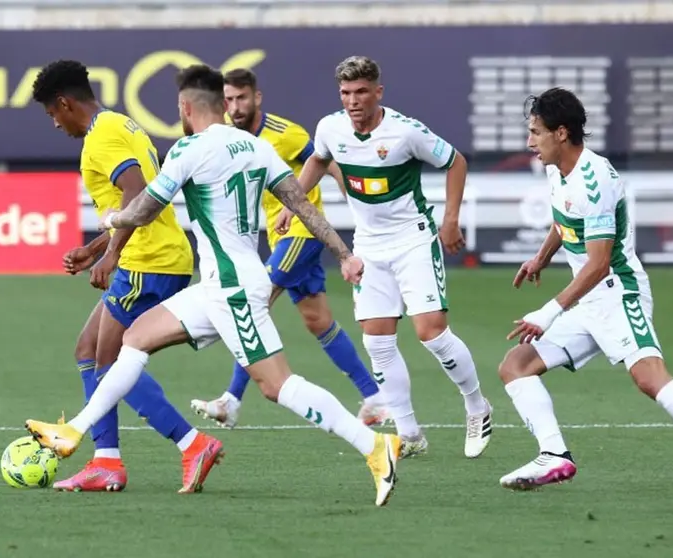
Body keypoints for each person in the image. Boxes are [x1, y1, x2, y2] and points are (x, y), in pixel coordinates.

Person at [26, 64, 404, 506]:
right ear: (223, 103)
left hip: (233, 289)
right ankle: (74, 432)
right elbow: (302, 205)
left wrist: (110, 223)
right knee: (135, 338)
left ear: (186, 108)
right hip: (218, 284)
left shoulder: (190, 150)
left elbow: (143, 209)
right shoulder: (256, 146)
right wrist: (343, 253)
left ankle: (376, 447)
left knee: (276, 386)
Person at [497, 87, 673, 494]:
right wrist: (541, 258)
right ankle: (554, 455)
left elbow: (599, 263)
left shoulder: (596, 180)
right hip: (586, 299)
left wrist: (548, 312)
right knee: (515, 366)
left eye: (536, 132)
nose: (529, 142)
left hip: (617, 293)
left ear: (562, 133)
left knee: (648, 378)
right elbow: (563, 221)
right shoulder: (558, 170)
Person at [275, 55, 492, 459]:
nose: (353, 101)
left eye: (361, 92)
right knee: (378, 343)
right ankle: (410, 435)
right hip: (370, 247)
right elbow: (318, 160)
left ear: (378, 92)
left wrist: (450, 219)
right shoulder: (330, 128)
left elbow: (455, 161)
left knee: (432, 334)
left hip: (413, 241)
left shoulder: (406, 132)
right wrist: (294, 202)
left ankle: (477, 405)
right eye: (345, 93)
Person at [31, 59, 221, 494]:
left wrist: (112, 254)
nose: (55, 125)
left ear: (64, 103)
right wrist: (94, 249)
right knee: (87, 350)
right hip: (149, 254)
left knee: (110, 365)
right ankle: (106, 461)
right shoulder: (120, 124)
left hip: (147, 261)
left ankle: (192, 444)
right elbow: (137, 202)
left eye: (52, 115)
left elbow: (136, 193)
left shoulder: (102, 139)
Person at [190, 68, 389, 429]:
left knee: (254, 303)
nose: (235, 106)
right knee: (319, 321)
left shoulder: (286, 134)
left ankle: (231, 399)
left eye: (242, 98)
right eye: (229, 99)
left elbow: (327, 163)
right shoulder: (228, 139)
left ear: (257, 98)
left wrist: (357, 207)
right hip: (279, 238)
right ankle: (375, 396)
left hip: (305, 233)